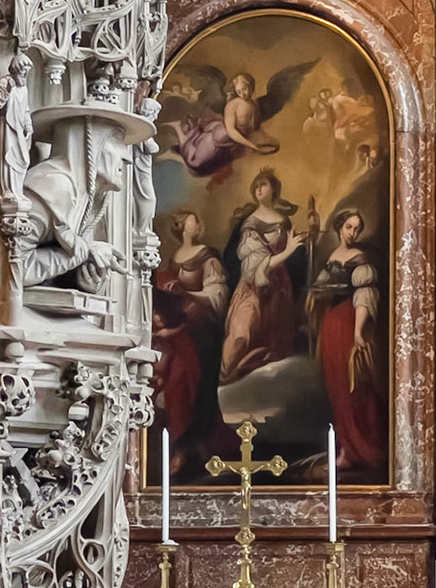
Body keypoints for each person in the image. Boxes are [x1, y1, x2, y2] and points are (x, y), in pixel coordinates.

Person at [152, 210, 231, 476]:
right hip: (178, 333)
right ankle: (180, 442)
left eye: (196, 219)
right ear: (181, 227)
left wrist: (186, 293)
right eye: (191, 220)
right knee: (173, 383)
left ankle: (193, 442)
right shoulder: (173, 260)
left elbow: (218, 295)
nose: (196, 223)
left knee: (197, 385)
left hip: (203, 333)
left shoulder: (207, 258)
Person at [307, 209, 385, 472]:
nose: (353, 233)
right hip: (332, 324)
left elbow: (365, 297)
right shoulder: (334, 256)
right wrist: (314, 296)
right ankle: (344, 448)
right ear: (340, 227)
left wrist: (358, 331)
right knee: (336, 386)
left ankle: (360, 446)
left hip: (349, 322)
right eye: (349, 227)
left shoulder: (360, 260)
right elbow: (323, 286)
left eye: (357, 228)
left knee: (353, 385)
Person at [220, 168, 308, 381]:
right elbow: (255, 265)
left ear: (274, 189)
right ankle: (225, 377)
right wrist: (288, 251)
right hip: (253, 285)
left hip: (279, 287)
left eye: (263, 185)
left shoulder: (283, 221)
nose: (259, 189)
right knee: (242, 334)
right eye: (256, 186)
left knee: (274, 341)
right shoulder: (249, 223)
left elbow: (294, 256)